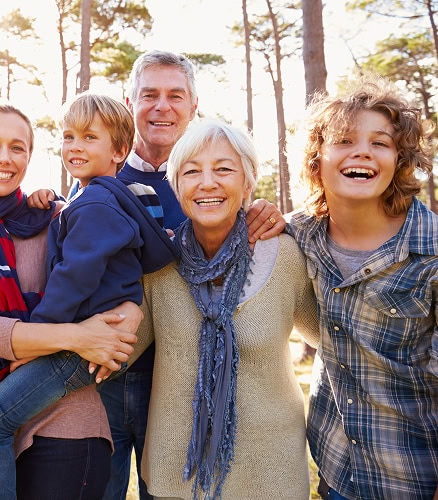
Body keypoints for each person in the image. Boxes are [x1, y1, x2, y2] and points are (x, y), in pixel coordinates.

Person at [93, 50, 286, 500]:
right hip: (107, 370)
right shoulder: (101, 176)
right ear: (129, 101)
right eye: (149, 95)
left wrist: (264, 212)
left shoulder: (210, 181)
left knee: (169, 488)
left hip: (177, 382)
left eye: (175, 95)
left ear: (194, 104)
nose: (162, 107)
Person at [0, 104, 143, 500]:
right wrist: (73, 336)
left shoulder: (58, 219)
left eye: (17, 148)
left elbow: (118, 277)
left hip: (67, 424)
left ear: (29, 156)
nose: (4, 158)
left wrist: (132, 310)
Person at [0, 93, 178, 500]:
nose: (75, 147)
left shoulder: (98, 203)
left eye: (88, 137)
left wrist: (33, 340)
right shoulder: (98, 198)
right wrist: (57, 204)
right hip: (81, 343)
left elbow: (74, 276)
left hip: (74, 350)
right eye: (68, 137)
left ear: (120, 150)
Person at [128, 119, 318, 499]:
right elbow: (122, 348)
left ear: (248, 184)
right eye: (192, 171)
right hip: (175, 474)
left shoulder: (286, 256)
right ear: (177, 186)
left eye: (224, 169)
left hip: (272, 473)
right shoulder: (159, 262)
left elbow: (332, 337)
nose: (208, 182)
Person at [286, 78, 438, 500]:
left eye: (381, 143)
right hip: (337, 474)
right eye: (344, 140)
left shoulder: (431, 254)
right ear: (317, 161)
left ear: (400, 161)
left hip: (413, 479)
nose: (363, 151)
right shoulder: (301, 235)